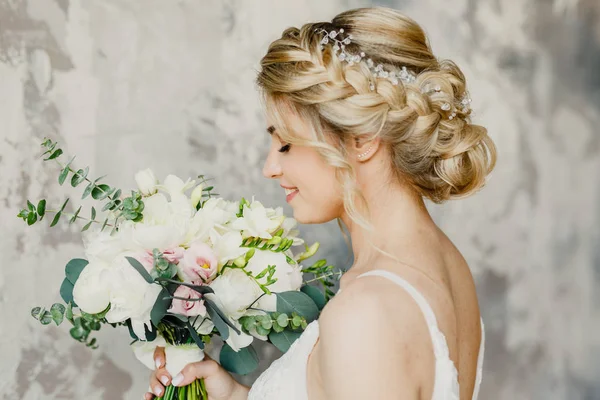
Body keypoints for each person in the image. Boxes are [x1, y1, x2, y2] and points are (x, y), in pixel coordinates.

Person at [145, 6, 496, 400]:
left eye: (286, 143)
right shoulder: (446, 265)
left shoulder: (365, 313)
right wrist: (233, 396)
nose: (269, 167)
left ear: (362, 140)